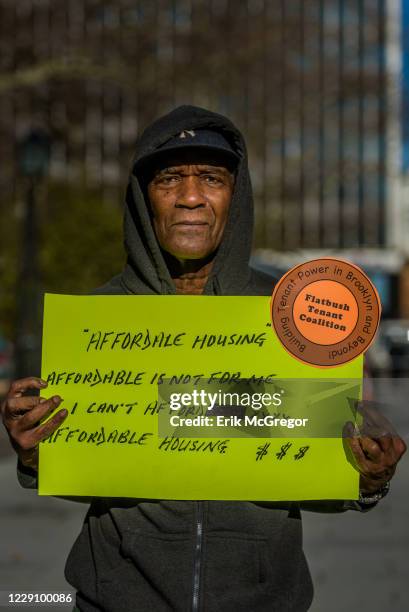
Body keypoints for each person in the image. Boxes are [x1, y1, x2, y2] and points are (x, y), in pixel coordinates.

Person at [1, 105, 406, 612]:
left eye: (211, 178)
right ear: (143, 196)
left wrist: (367, 477)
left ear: (235, 197)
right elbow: (84, 460)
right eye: (170, 178)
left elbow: (318, 464)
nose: (191, 197)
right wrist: (37, 453)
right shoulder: (98, 319)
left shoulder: (294, 315)